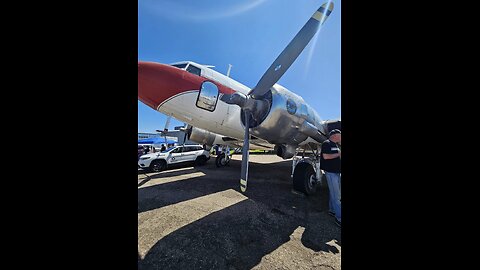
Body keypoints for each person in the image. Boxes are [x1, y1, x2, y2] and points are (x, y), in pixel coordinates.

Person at [320, 129, 341, 227]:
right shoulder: (326, 143)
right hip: (331, 173)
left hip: (336, 172)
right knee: (337, 196)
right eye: (340, 135)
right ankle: (339, 218)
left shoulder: (336, 145)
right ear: (334, 136)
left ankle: (332, 210)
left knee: (333, 193)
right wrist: (339, 154)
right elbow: (326, 156)